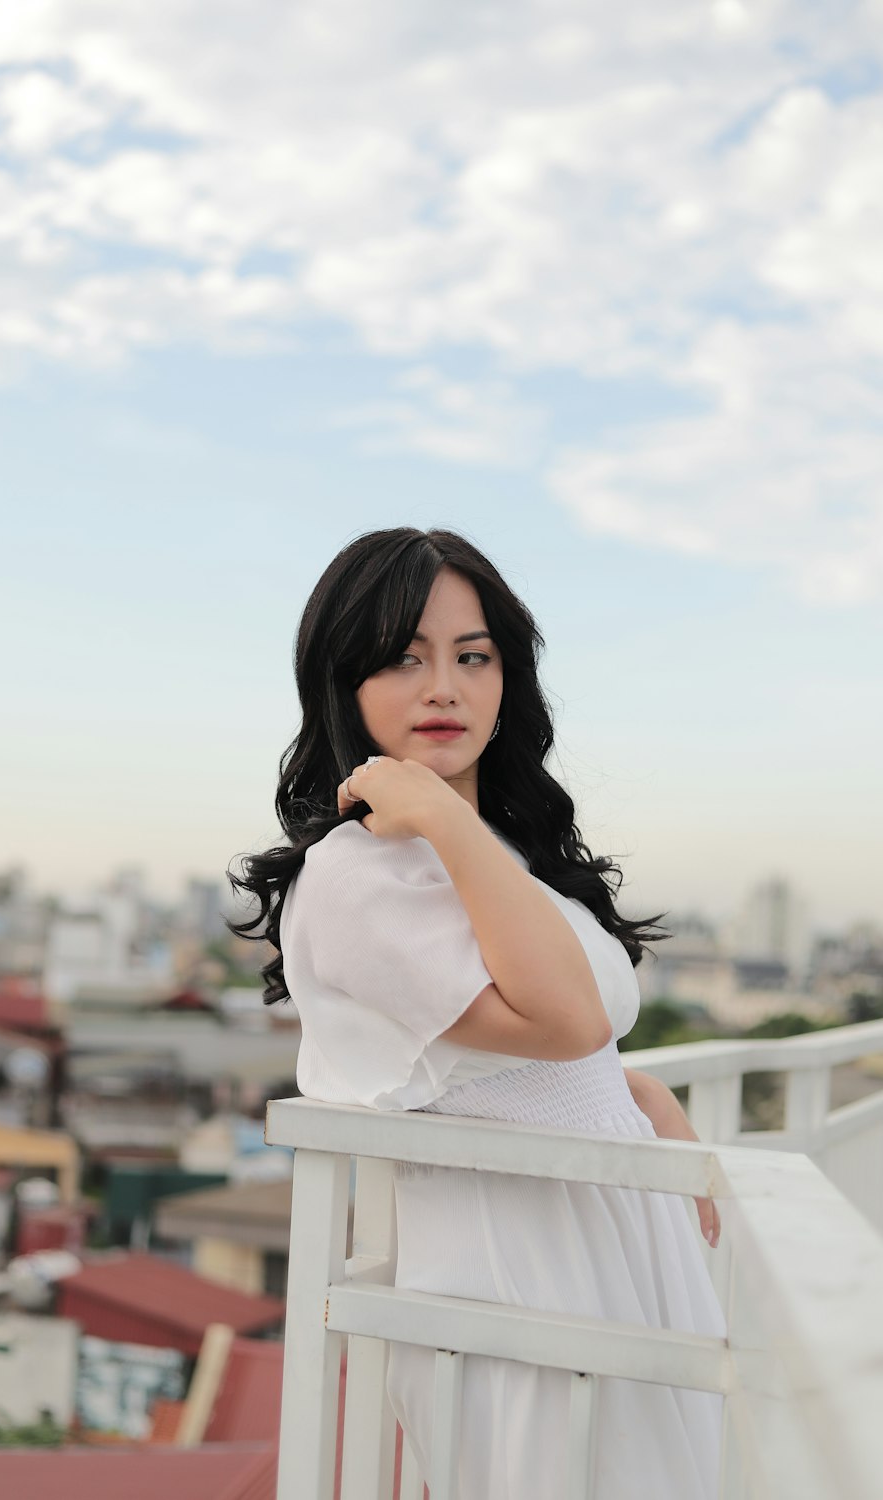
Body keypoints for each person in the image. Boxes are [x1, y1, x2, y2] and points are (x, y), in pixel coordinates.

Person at [229, 526, 726, 1500]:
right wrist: (443, 817)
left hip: (614, 1229)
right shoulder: (354, 876)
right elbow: (561, 1019)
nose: (443, 688)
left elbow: (541, 1050)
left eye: (473, 656)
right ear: (344, 681)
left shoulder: (498, 846)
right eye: (403, 658)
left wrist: (627, 1095)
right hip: (510, 1265)